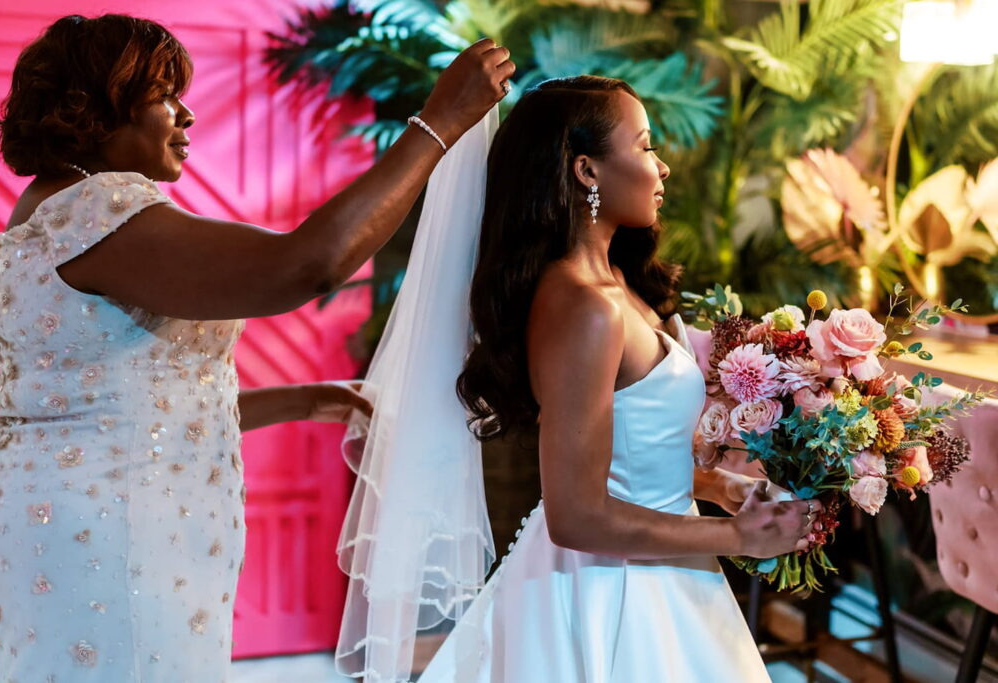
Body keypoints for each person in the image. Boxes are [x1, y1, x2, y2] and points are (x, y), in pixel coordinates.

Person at [0, 13, 513, 682]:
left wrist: (307, 397)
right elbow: (306, 265)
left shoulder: (41, 215)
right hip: (113, 535)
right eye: (163, 95)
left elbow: (120, 404)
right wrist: (437, 126)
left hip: (67, 512)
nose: (186, 114)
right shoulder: (98, 213)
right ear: (97, 109)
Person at [340, 76, 822, 682]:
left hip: (660, 571)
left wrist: (712, 484)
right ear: (587, 171)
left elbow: (618, 453)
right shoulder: (582, 306)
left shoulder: (613, 284)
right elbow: (575, 514)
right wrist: (740, 537)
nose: (663, 166)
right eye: (645, 146)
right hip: (612, 593)